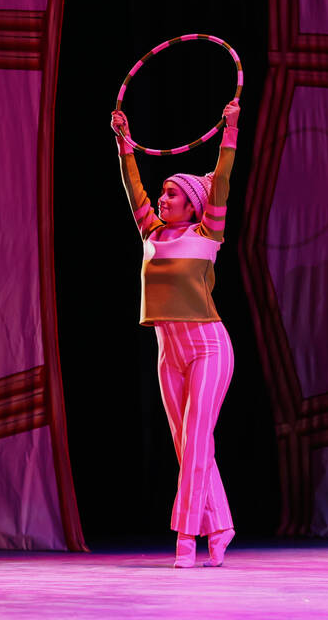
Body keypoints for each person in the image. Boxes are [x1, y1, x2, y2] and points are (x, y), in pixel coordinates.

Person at [110, 99, 240, 568]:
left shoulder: (207, 235)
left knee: (199, 440)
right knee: (189, 446)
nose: (161, 200)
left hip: (208, 346)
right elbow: (132, 189)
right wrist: (124, 142)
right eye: (161, 194)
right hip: (169, 352)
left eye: (170, 195)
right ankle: (221, 525)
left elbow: (221, 181)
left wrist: (231, 130)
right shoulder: (151, 234)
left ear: (192, 205)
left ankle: (187, 538)